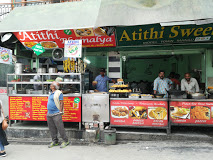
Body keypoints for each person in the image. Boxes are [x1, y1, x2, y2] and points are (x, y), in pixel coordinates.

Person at [47, 81, 69, 148]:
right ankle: (55, 141)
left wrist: (60, 111)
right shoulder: (51, 93)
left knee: (60, 128)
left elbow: (61, 103)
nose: (50, 85)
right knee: (52, 128)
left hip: (56, 113)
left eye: (51, 85)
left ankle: (65, 141)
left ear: (53, 86)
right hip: (49, 113)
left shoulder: (59, 93)